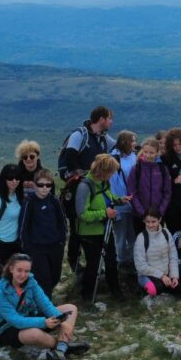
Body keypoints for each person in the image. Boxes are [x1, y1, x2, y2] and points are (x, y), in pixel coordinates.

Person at [0, 254, 84, 360]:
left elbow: (45, 304)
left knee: (71, 308)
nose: (23, 275)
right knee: (34, 334)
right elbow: (15, 320)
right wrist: (44, 322)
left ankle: (60, 351)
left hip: (31, 316)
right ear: (11, 269)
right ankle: (64, 346)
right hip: (9, 327)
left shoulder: (31, 282)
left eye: (27, 271)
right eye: (19, 270)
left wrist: (61, 321)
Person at [58, 106, 116, 272]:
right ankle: (76, 266)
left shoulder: (102, 138)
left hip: (95, 189)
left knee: (94, 225)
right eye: (110, 118)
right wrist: (85, 176)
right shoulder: (80, 135)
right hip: (79, 188)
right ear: (102, 119)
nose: (111, 122)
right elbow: (70, 159)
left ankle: (94, 265)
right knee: (77, 228)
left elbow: (119, 145)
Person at [74, 154, 122, 302]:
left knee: (111, 260)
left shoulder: (103, 183)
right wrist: (105, 213)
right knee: (93, 263)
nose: (112, 174)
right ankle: (87, 294)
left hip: (105, 229)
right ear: (104, 171)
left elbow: (107, 197)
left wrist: (119, 200)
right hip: (89, 233)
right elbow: (82, 214)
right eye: (111, 171)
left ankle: (115, 290)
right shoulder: (85, 186)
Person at [20, 169, 68, 298]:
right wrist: (27, 247)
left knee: (55, 277)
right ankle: (47, 308)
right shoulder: (29, 202)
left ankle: (44, 300)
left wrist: (62, 241)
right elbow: (23, 225)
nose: (44, 188)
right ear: (35, 185)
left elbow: (62, 222)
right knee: (44, 279)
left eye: (48, 185)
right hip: (37, 247)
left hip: (55, 246)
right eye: (41, 185)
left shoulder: (55, 201)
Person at [0, 164, 24, 294]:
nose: (14, 181)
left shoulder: (18, 197)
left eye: (17, 178)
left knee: (14, 281)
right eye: (10, 178)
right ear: (3, 179)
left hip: (15, 245)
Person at [133, 210, 181, 297]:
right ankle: (145, 287)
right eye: (148, 222)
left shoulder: (166, 233)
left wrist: (174, 276)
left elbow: (173, 256)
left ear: (160, 220)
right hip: (149, 274)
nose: (150, 225)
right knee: (154, 290)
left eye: (153, 221)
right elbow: (140, 266)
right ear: (144, 221)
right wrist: (162, 276)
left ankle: (168, 286)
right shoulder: (141, 238)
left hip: (166, 272)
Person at [127, 138, 172, 237]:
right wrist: (142, 212)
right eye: (145, 152)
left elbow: (167, 192)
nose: (148, 155)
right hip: (140, 216)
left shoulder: (162, 169)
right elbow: (131, 192)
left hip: (158, 216)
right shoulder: (136, 169)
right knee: (140, 244)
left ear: (157, 153)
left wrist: (160, 212)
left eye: (151, 153)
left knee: (157, 244)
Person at [109, 130, 139, 271]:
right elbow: (113, 183)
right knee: (121, 235)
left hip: (133, 204)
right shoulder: (114, 159)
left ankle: (133, 260)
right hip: (121, 205)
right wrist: (117, 205)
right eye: (132, 140)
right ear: (124, 142)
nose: (135, 143)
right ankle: (122, 261)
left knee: (132, 235)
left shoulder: (134, 156)